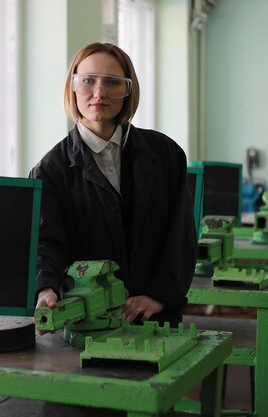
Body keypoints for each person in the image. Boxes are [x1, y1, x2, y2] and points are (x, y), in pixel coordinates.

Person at [29, 42, 197, 328]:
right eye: (88, 81)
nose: (99, 93)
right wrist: (46, 289)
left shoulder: (166, 153)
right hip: (87, 322)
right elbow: (46, 244)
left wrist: (158, 296)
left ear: (128, 91)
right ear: (72, 87)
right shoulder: (50, 170)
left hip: (157, 319)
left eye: (112, 82)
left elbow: (179, 234)